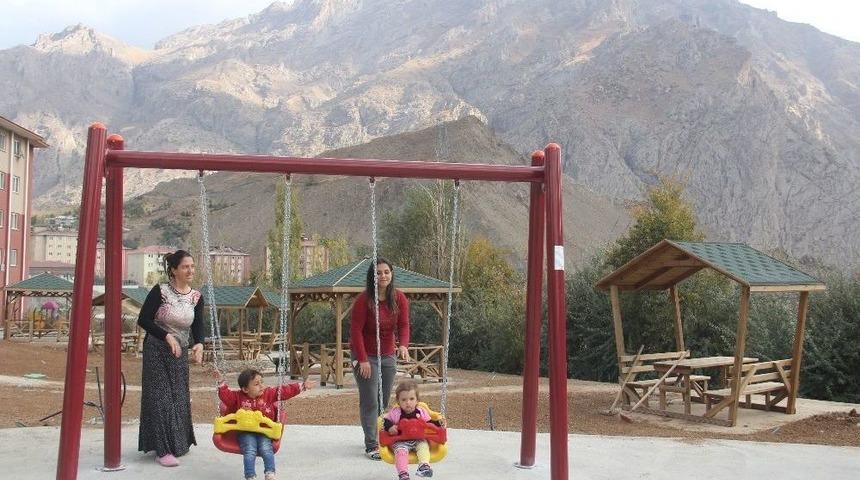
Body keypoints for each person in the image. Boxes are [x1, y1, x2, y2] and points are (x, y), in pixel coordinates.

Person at [137, 250, 205, 467]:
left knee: (178, 397)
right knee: (161, 398)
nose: (191, 270)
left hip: (179, 352)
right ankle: (162, 449)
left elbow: (198, 325)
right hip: (157, 349)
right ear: (174, 270)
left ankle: (177, 443)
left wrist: (199, 344)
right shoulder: (161, 291)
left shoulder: (196, 297)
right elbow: (144, 320)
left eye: (192, 266)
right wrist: (166, 336)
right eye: (186, 267)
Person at [350, 257, 411, 460]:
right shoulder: (363, 300)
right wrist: (363, 360)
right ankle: (371, 444)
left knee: (383, 400)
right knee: (370, 401)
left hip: (387, 355)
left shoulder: (399, 298)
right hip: (365, 355)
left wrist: (403, 344)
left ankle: (380, 435)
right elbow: (356, 331)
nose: (382, 275)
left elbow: (403, 325)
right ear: (372, 276)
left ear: (391, 274)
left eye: (386, 271)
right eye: (378, 272)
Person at [215, 368, 315, 480]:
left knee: (266, 449)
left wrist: (302, 386)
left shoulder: (269, 394)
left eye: (262, 382)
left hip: (264, 431)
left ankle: (270, 473)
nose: (261, 386)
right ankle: (250, 476)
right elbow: (226, 396)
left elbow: (284, 391)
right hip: (246, 431)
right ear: (245, 389)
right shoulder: (237, 398)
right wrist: (221, 382)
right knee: (250, 449)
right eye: (256, 384)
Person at [383, 379, 445, 479]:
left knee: (424, 446)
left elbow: (429, 423)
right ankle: (403, 474)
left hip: (418, 439)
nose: (408, 402)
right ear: (398, 401)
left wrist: (438, 423)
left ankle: (424, 466)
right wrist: (389, 426)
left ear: (417, 400)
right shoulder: (395, 412)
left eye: (411, 399)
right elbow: (384, 420)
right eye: (404, 400)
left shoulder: (421, 412)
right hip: (400, 441)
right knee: (401, 452)